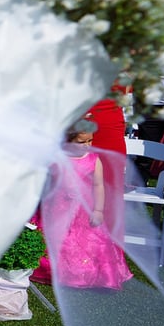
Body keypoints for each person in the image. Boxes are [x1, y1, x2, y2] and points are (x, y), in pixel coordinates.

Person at [42, 119, 133, 289]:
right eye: (81, 142)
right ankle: (58, 270)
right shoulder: (58, 158)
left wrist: (98, 209)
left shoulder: (92, 159)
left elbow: (98, 185)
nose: (87, 145)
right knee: (59, 239)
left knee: (85, 241)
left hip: (83, 209)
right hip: (59, 207)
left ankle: (83, 271)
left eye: (90, 141)